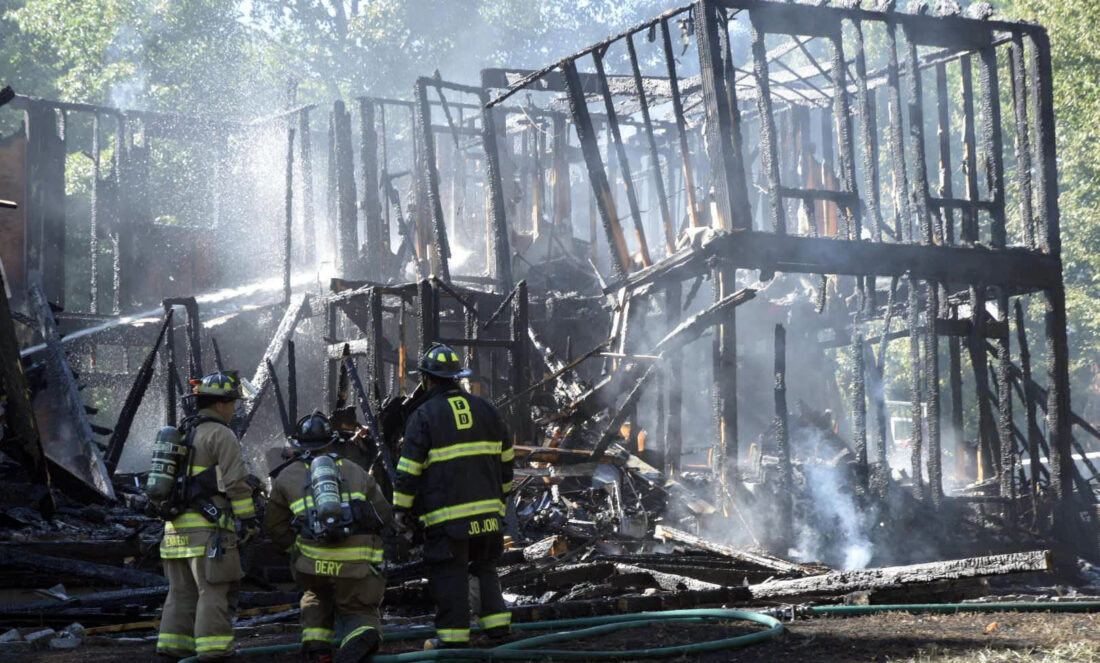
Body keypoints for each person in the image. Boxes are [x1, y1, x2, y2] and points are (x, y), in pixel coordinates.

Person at [393, 343, 514, 650]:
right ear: (457, 377)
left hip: (448, 520)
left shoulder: (423, 416)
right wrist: (501, 502)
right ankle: (498, 629)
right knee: (484, 567)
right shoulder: (488, 410)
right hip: (489, 514)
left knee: (450, 574)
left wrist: (401, 511)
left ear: (427, 379)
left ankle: (452, 639)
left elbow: (408, 471)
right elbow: (507, 461)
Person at [264, 411, 393, 663]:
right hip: (355, 562)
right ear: (331, 442)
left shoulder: (286, 477)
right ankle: (362, 634)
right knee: (358, 607)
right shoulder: (356, 471)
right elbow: (384, 515)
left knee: (315, 595)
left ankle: (317, 648)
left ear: (298, 445)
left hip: (312, 561)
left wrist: (295, 550)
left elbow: (274, 527)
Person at [156, 371, 260, 661]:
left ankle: (173, 648)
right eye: (232, 404)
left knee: (180, 593)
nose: (234, 410)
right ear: (219, 404)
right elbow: (236, 482)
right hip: (207, 532)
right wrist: (248, 520)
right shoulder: (220, 434)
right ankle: (214, 652)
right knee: (214, 591)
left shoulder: (184, 432)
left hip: (174, 531)